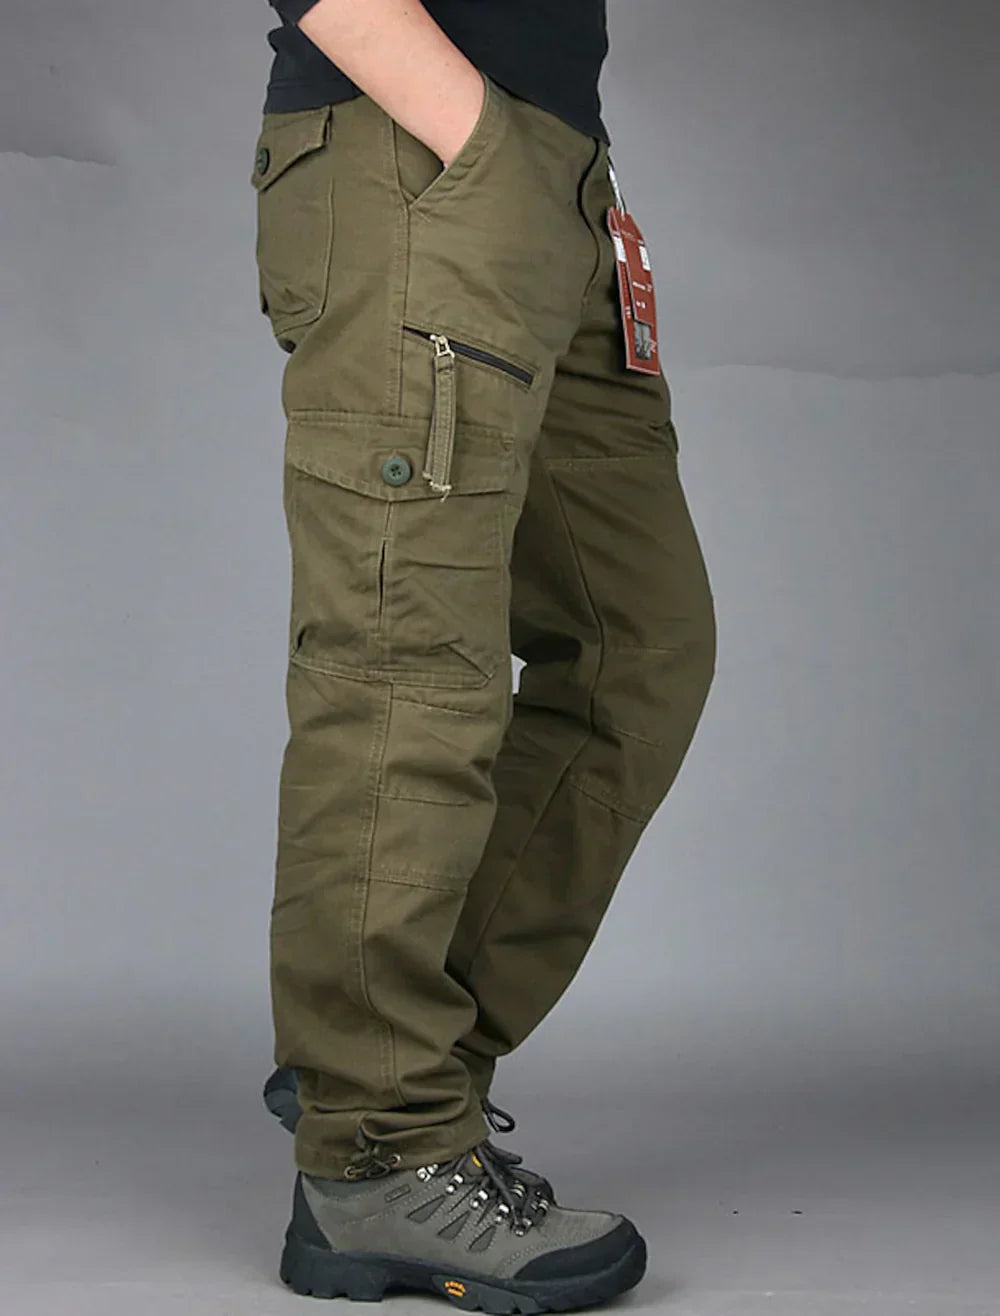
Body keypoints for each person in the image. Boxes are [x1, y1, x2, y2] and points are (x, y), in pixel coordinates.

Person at [250, 0, 717, 1307]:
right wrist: (484, 151)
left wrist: (555, 179)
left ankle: (383, 1059)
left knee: (639, 649)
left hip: (552, 176)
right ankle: (376, 1149)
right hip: (426, 154)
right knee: (406, 674)